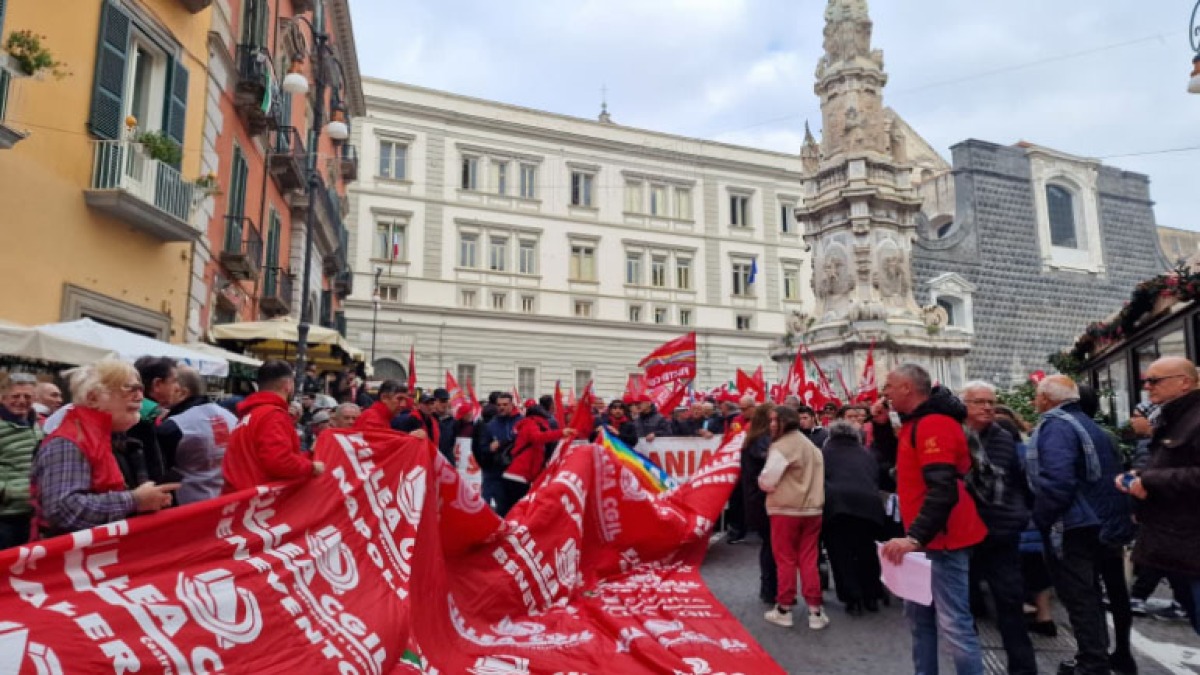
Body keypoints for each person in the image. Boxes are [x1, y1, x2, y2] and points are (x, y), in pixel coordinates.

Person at [877, 363, 987, 675]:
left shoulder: (933, 424)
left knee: (954, 625)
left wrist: (915, 538)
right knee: (919, 619)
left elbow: (943, 490)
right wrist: (883, 427)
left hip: (942, 540)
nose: (884, 392)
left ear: (906, 388)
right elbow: (899, 468)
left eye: (889, 385)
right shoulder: (916, 424)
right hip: (927, 539)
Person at [1029, 375, 1132, 675]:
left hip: (1073, 524)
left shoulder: (1055, 425)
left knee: (1081, 596)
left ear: (1047, 398)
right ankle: (1094, 655)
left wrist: (1042, 518)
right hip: (1100, 521)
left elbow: (1058, 481)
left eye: (1038, 395)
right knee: (1090, 595)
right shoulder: (1090, 426)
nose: (1036, 401)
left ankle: (1092, 662)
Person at [29, 360, 178, 539]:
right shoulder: (67, 442)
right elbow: (63, 510)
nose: (140, 397)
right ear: (93, 399)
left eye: (141, 389)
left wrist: (151, 499)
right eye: (130, 389)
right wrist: (135, 500)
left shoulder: (117, 439)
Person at [958, 381, 1037, 675]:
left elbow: (1011, 481)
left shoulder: (1003, 437)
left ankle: (1023, 668)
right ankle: (970, 666)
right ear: (963, 405)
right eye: (979, 401)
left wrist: (1019, 514)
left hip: (1000, 530)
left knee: (1009, 603)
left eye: (991, 402)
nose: (988, 407)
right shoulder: (955, 436)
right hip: (965, 534)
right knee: (963, 608)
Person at [1119, 357, 1200, 636]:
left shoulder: (1193, 418)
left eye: (1155, 381)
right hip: (1176, 544)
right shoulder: (1175, 417)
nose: (1148, 387)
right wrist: (1138, 475)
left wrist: (1149, 479)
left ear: (1184, 383)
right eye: (1146, 381)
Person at [759, 405, 828, 631]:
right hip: (813, 509)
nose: (770, 425)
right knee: (809, 559)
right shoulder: (811, 446)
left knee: (785, 559)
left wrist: (763, 482)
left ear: (783, 422)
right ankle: (815, 610)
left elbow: (768, 480)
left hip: (786, 509)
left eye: (773, 420)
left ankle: (784, 608)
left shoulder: (782, 446)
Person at [222, 360, 324, 493]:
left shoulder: (251, 413)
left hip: (240, 496)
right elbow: (279, 461)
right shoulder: (273, 415)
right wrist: (312, 467)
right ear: (288, 385)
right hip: (256, 501)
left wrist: (309, 455)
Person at [821, 418, 886, 617]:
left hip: (837, 508)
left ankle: (852, 598)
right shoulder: (865, 453)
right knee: (866, 551)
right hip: (868, 507)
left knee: (841, 554)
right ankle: (872, 596)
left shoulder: (825, 453)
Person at [156, 367, 237, 505]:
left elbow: (159, 469)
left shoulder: (176, 425)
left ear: (181, 392)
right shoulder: (231, 417)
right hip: (224, 498)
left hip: (186, 504)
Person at [497, 404, 572, 515]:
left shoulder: (529, 424)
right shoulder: (531, 423)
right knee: (514, 510)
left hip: (519, 475)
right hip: (518, 475)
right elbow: (537, 438)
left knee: (510, 509)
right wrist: (561, 433)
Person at [0, 373, 43, 548]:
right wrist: (10, 492)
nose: (21, 400)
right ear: (2, 398)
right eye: (15, 396)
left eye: (27, 396)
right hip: (5, 517)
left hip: (32, 515)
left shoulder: (37, 424)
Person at [741, 402, 778, 604]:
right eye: (773, 418)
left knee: (769, 545)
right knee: (772, 546)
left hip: (757, 499)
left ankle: (770, 588)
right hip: (762, 500)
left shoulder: (755, 438)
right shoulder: (761, 441)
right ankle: (771, 589)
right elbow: (771, 465)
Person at [129, 356, 179, 485]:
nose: (178, 388)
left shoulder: (133, 415)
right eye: (174, 381)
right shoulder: (146, 419)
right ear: (157, 384)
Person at [479, 393, 521, 510]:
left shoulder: (521, 421)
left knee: (514, 508)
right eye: (499, 405)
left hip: (516, 474)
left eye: (505, 404)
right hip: (496, 472)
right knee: (498, 507)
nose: (501, 407)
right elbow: (482, 447)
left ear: (512, 405)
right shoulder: (490, 425)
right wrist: (490, 448)